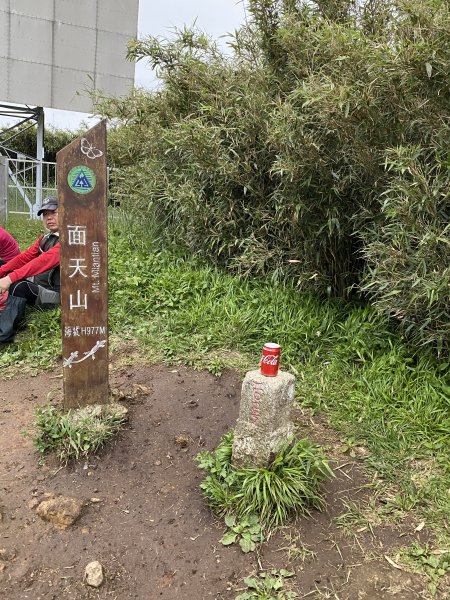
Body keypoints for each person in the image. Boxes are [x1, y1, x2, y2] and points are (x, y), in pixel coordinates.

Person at [0, 196, 60, 346]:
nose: (49, 218)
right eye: (45, 214)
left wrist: (10, 278)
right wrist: (2, 271)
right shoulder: (45, 238)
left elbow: (42, 262)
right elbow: (24, 258)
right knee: (4, 267)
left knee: (18, 285)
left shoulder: (71, 239)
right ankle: (12, 318)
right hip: (40, 286)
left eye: (54, 212)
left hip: (56, 296)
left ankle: (3, 338)